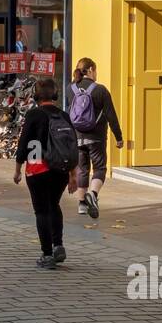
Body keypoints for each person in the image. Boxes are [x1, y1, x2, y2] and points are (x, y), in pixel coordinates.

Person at [14, 77, 78, 270]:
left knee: (41, 211)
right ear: (55, 95)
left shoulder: (34, 115)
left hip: (37, 169)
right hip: (60, 169)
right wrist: (73, 174)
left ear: (35, 96)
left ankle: (47, 254)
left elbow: (23, 143)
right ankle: (58, 245)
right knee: (54, 205)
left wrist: (17, 169)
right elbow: (71, 145)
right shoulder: (64, 116)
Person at [67, 57, 123, 220]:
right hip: (96, 137)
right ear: (91, 70)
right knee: (99, 168)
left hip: (76, 136)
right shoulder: (100, 90)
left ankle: (82, 204)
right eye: (95, 70)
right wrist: (118, 137)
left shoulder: (70, 88)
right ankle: (93, 193)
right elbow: (111, 115)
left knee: (82, 168)